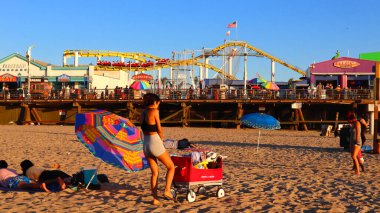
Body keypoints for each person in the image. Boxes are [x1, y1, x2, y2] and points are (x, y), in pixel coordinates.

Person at [139, 93, 175, 205]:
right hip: (155, 141)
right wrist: (162, 140)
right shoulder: (155, 111)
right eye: (158, 103)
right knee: (171, 167)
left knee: (155, 173)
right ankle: (167, 191)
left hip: (146, 144)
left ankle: (155, 199)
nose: (158, 105)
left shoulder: (142, 113)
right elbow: (159, 129)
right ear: (154, 102)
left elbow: (143, 129)